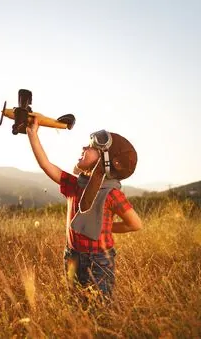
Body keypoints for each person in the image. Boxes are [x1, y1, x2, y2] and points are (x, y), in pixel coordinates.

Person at [26, 117, 143, 299]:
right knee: (75, 305)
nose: (83, 148)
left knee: (99, 309)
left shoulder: (112, 194)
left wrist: (108, 228)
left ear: (105, 161)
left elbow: (135, 224)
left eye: (91, 148)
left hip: (99, 262)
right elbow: (46, 165)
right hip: (72, 256)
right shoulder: (75, 185)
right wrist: (32, 134)